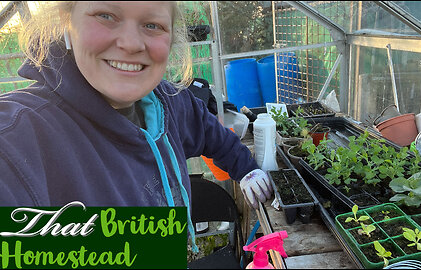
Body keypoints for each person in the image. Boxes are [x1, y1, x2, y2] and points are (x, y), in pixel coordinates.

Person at [0, 1, 272, 252]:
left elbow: (213, 135)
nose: (131, 44)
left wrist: (246, 169)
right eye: (105, 15)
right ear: (67, 22)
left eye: (152, 25)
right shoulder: (21, 137)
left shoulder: (168, 103)